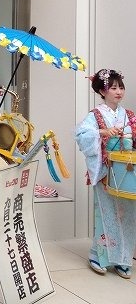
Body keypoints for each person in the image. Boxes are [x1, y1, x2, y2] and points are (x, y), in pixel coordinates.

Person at [74, 68, 136, 279]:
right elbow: (81, 135)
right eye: (113, 87)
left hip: (127, 173)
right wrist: (102, 132)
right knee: (106, 214)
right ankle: (99, 256)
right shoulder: (96, 115)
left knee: (128, 215)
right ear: (102, 90)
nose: (118, 91)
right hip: (106, 172)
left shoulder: (128, 115)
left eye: (121, 87)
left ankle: (123, 258)